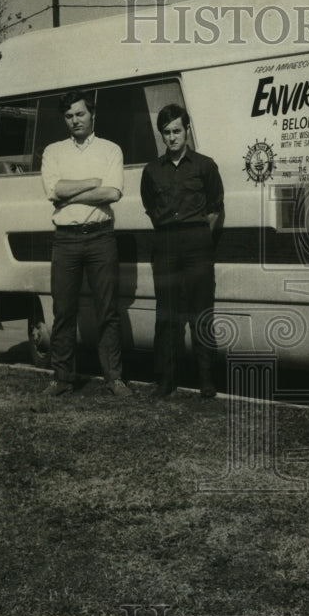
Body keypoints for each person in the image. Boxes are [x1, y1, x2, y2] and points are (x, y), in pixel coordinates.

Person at [40, 90, 129, 396]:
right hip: (64, 240)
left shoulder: (110, 150)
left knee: (107, 311)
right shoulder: (53, 151)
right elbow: (53, 190)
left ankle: (114, 378)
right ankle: (62, 379)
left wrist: (69, 193)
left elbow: (113, 193)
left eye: (79, 114)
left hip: (101, 236)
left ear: (92, 115)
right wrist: (92, 182)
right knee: (63, 310)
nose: (74, 120)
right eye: (68, 116)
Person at [140, 104, 224, 398]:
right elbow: (151, 209)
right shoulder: (151, 172)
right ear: (161, 136)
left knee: (201, 313)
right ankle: (166, 379)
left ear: (187, 130)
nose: (172, 137)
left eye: (177, 130)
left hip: (197, 245)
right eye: (167, 132)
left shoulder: (205, 166)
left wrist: (198, 237)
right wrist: (171, 236)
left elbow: (215, 209)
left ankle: (206, 380)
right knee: (167, 315)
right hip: (165, 245)